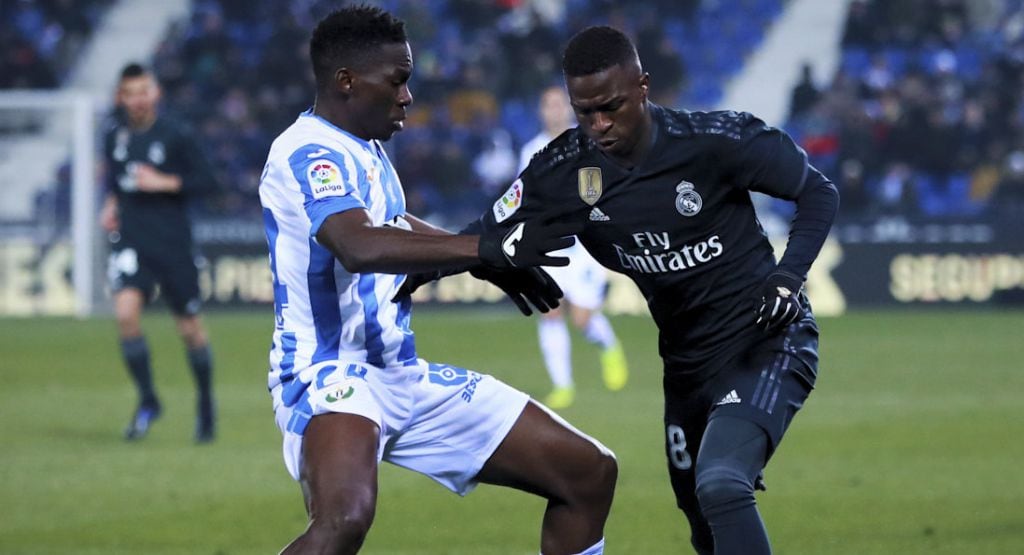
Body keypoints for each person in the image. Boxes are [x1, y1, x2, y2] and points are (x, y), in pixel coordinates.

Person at [447, 26, 839, 554]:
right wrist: (400, 269)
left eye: (611, 107)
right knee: (703, 525)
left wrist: (788, 279)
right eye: (584, 112)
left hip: (764, 342)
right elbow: (480, 237)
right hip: (686, 368)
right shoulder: (565, 169)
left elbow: (817, 191)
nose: (599, 125)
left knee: (722, 484)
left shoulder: (715, 141)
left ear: (643, 86)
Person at [257, 7, 616, 554]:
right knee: (345, 518)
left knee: (588, 473)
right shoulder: (308, 152)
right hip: (327, 373)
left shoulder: (368, 149)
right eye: (397, 81)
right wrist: (483, 248)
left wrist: (484, 257)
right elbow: (357, 245)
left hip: (399, 373)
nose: (407, 97)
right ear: (346, 82)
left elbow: (399, 232)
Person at [100, 63, 218, 443]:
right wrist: (111, 204)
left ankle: (205, 404)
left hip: (173, 245)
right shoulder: (112, 135)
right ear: (122, 97)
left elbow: (209, 182)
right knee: (125, 315)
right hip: (132, 241)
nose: (136, 99)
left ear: (155, 94)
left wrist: (164, 181)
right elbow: (116, 182)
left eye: (142, 91)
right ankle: (149, 400)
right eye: (129, 93)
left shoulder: (177, 134)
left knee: (190, 330)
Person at [518, 85, 628, 409]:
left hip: (582, 247)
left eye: (558, 105)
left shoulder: (585, 144)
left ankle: (608, 346)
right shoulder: (530, 151)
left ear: (568, 110)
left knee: (582, 319)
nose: (553, 111)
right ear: (541, 111)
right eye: (547, 105)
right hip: (548, 247)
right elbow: (524, 197)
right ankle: (563, 386)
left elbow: (595, 191)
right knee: (550, 313)